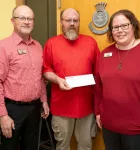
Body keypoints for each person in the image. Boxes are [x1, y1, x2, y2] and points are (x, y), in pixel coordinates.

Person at [43, 8, 100, 150]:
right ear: (61, 22)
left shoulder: (90, 42)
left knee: (85, 145)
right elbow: (46, 70)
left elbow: (98, 72)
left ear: (79, 22)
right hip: (61, 106)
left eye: (75, 20)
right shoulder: (51, 43)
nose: (72, 23)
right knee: (62, 145)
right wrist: (58, 80)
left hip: (86, 106)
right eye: (68, 20)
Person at [94, 9, 140, 150]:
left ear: (134, 26)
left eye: (124, 25)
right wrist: (98, 112)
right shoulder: (105, 53)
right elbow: (99, 86)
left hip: (138, 129)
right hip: (109, 126)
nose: (120, 30)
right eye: (115, 27)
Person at [0, 5, 49, 150]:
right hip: (12, 110)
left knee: (31, 146)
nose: (26, 22)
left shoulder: (38, 46)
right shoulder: (3, 47)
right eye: (22, 18)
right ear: (12, 21)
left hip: (34, 108)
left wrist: (44, 100)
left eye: (30, 19)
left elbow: (39, 77)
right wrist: (3, 116)